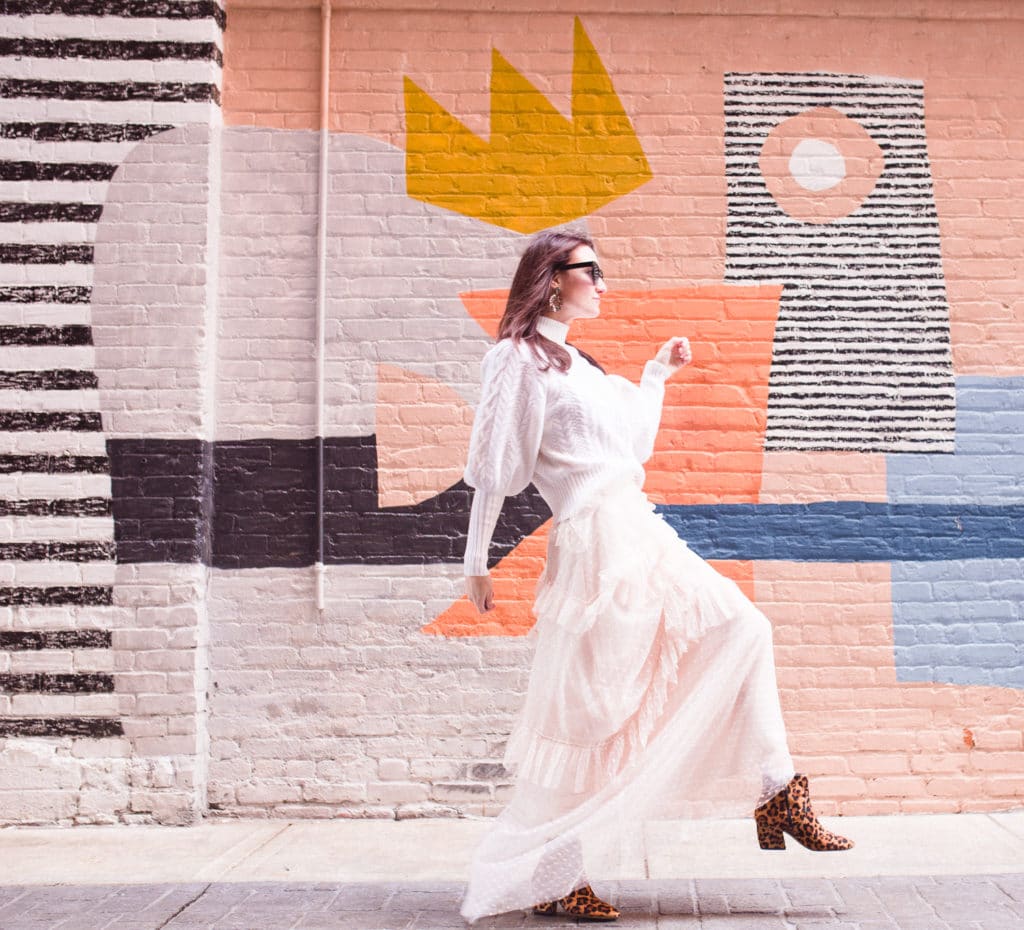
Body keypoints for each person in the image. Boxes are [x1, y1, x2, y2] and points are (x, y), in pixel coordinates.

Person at [459, 230, 853, 924]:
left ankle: (779, 790)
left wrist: (652, 377)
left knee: (742, 625)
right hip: (595, 544)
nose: (603, 282)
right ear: (552, 279)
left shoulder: (579, 365)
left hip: (634, 526)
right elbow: (496, 467)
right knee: (594, 712)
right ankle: (556, 875)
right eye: (592, 271)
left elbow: (628, 449)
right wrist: (474, 562)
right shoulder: (516, 359)